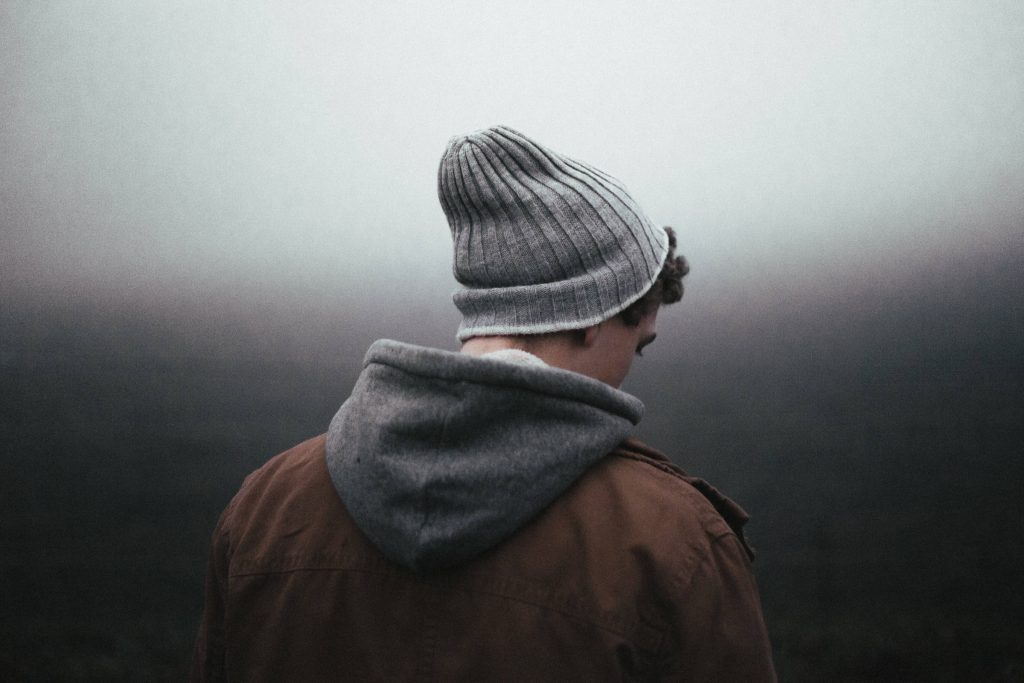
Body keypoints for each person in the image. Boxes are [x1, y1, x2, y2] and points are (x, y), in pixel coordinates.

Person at [192, 125, 776, 681]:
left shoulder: (263, 511)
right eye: (639, 347)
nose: (628, 375)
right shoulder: (676, 545)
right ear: (594, 316)